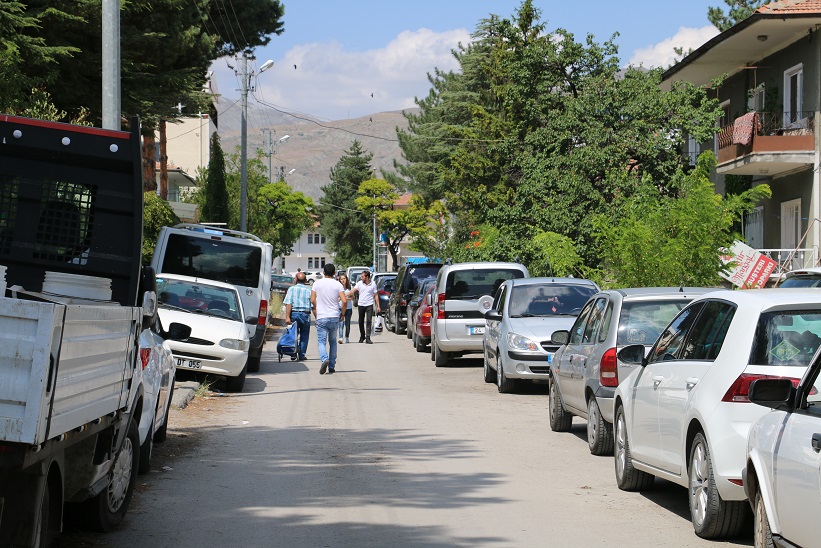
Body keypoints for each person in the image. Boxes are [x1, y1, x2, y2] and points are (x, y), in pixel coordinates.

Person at [311, 263, 346, 374]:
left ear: (323, 272)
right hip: (334, 316)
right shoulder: (338, 285)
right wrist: (343, 314)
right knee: (333, 342)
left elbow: (312, 300)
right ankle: (331, 365)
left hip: (322, 316)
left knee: (321, 341)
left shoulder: (316, 284)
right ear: (334, 273)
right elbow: (344, 301)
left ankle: (324, 359)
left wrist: (318, 310)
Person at [282, 271, 312, 361]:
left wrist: (287, 317)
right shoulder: (309, 290)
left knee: (293, 334)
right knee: (304, 335)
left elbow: (288, 303)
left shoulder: (291, 289)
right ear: (306, 280)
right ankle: (302, 355)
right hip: (305, 314)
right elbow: (313, 305)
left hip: (294, 313)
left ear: (295, 280)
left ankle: (293, 353)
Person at [352, 269, 380, 344]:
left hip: (369, 305)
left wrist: (378, 306)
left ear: (367, 277)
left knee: (369, 321)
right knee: (360, 321)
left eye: (362, 276)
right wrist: (344, 295)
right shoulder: (359, 283)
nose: (361, 278)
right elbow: (353, 291)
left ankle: (368, 338)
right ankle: (362, 336)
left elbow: (376, 295)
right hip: (361, 305)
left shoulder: (373, 284)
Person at [337, 273, 353, 344]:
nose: (343, 280)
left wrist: (345, 298)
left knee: (347, 323)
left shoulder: (350, 288)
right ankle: (340, 337)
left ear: (346, 279)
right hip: (340, 307)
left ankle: (347, 336)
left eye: (344, 278)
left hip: (348, 308)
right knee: (341, 323)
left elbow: (352, 297)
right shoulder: (338, 288)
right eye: (341, 279)